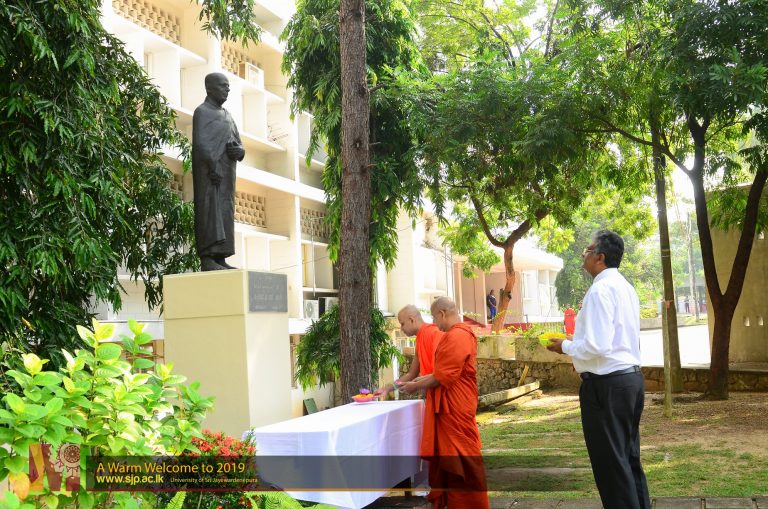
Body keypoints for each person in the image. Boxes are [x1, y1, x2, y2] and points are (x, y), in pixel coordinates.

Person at [547, 230, 650, 509]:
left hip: (607, 386)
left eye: (588, 250)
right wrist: (576, 347)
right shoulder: (625, 287)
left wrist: (565, 346)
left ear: (600, 257)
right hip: (629, 380)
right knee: (628, 459)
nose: (584, 255)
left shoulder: (600, 290)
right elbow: (610, 341)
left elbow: (597, 345)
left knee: (611, 465)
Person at [401, 297, 490, 509]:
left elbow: (443, 376)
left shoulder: (458, 335)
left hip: (455, 407)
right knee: (449, 461)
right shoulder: (453, 335)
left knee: (463, 461)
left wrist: (415, 386)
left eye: (434, 317)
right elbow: (438, 372)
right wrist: (416, 382)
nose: (433, 322)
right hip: (450, 405)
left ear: (442, 314)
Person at [192, 72, 245, 271]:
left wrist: (240, 151)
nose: (227, 89)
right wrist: (212, 165)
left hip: (227, 175)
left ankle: (221, 256)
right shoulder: (202, 112)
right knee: (209, 211)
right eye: (223, 85)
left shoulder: (228, 116)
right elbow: (200, 144)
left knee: (225, 213)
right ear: (209, 88)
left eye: (228, 86)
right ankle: (207, 258)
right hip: (210, 175)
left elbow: (238, 143)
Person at [375, 305, 442, 398]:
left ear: (411, 320)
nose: (401, 328)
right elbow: (411, 374)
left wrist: (417, 385)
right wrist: (387, 388)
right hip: (431, 395)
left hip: (443, 393)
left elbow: (442, 373)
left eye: (402, 324)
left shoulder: (434, 333)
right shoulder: (420, 338)